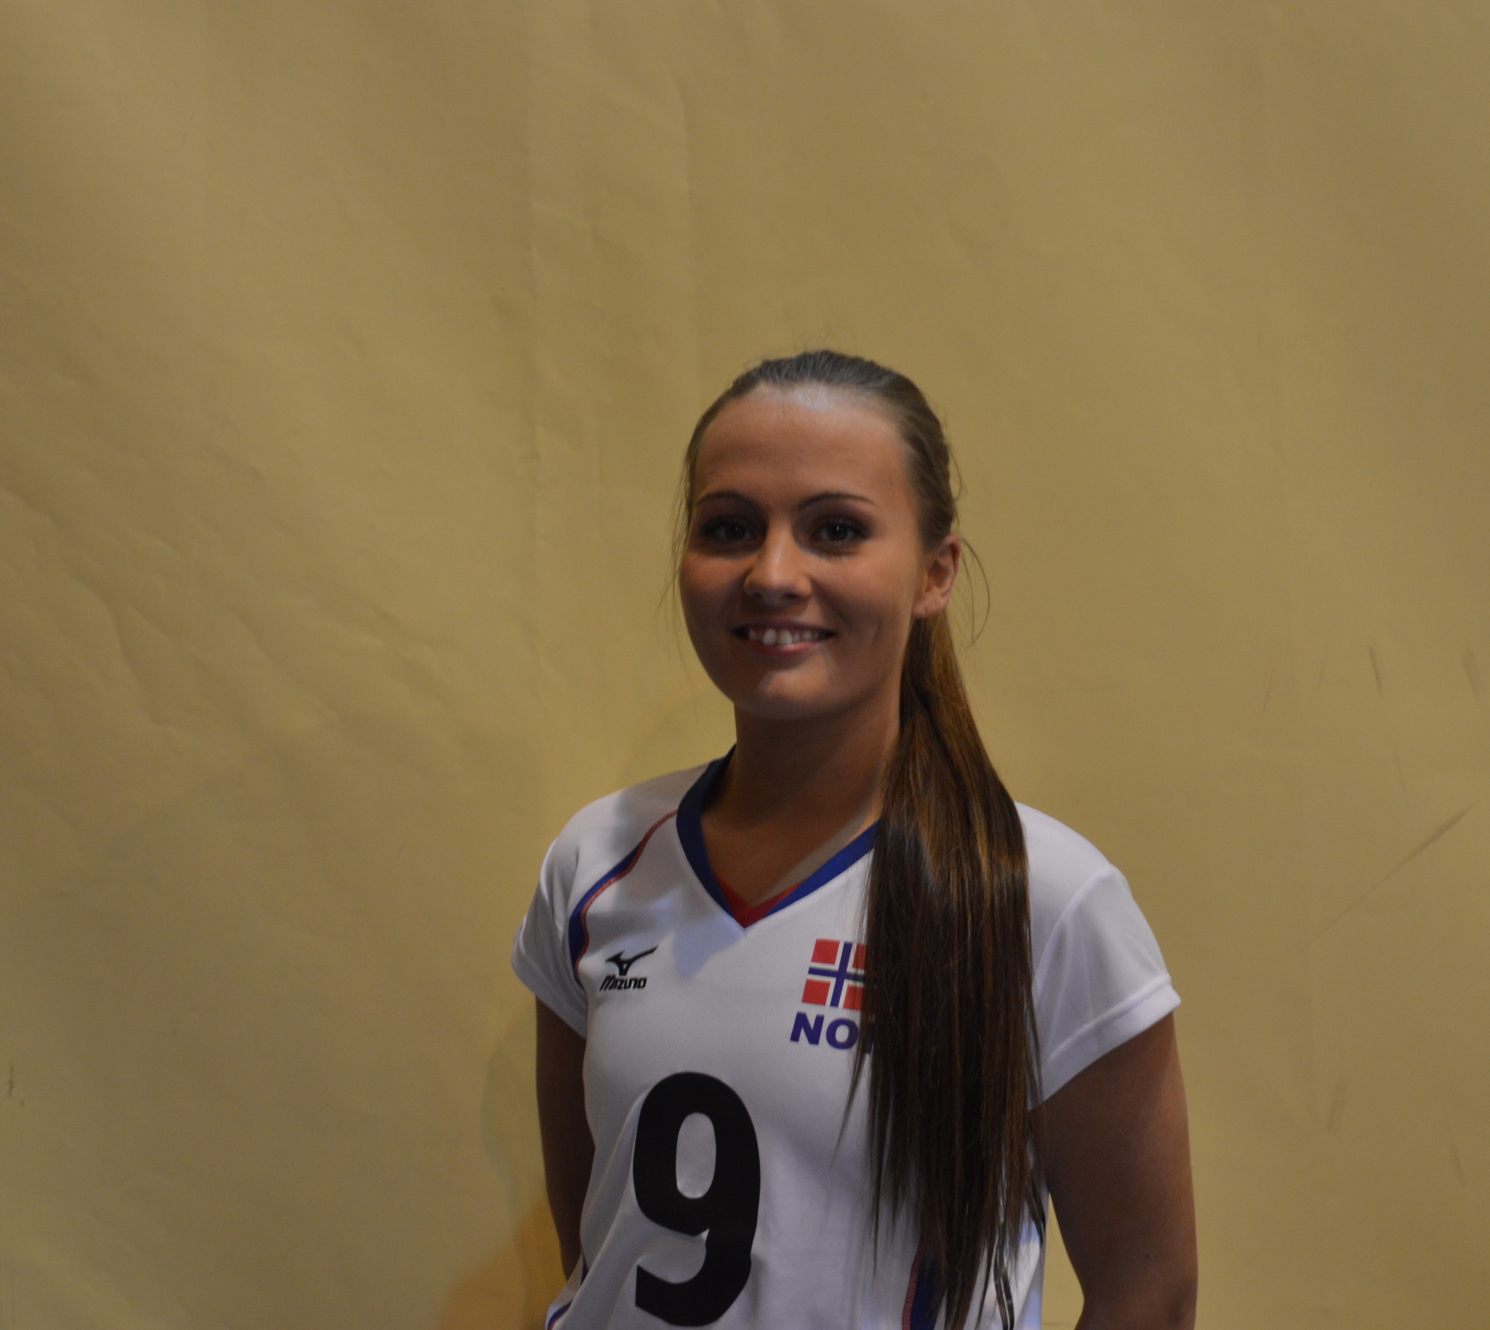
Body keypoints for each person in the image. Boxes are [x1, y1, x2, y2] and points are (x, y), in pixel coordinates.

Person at [511, 351, 1196, 1330]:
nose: (771, 574)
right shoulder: (597, 861)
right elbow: (599, 1246)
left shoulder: (1040, 896)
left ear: (933, 574)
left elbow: (1149, 1294)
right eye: (728, 528)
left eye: (835, 530)